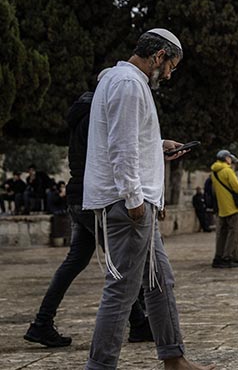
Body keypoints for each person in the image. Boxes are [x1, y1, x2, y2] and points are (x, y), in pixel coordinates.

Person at [82, 28, 214, 369]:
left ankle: (173, 357)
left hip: (138, 201)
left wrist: (159, 148)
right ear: (158, 56)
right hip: (128, 206)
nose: (169, 74)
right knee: (123, 290)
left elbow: (131, 142)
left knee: (159, 281)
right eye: (170, 66)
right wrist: (134, 199)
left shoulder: (121, 81)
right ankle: (99, 366)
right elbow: (121, 147)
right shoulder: (128, 84)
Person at [24, 90, 152, 349]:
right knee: (122, 263)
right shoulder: (97, 117)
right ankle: (138, 325)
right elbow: (116, 155)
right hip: (96, 199)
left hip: (77, 197)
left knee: (76, 262)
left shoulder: (80, 117)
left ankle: (42, 323)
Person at [210, 149, 238, 268]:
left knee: (222, 233)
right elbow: (236, 187)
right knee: (234, 233)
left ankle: (219, 256)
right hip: (231, 206)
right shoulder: (227, 170)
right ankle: (227, 257)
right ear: (226, 158)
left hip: (221, 206)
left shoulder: (214, 172)